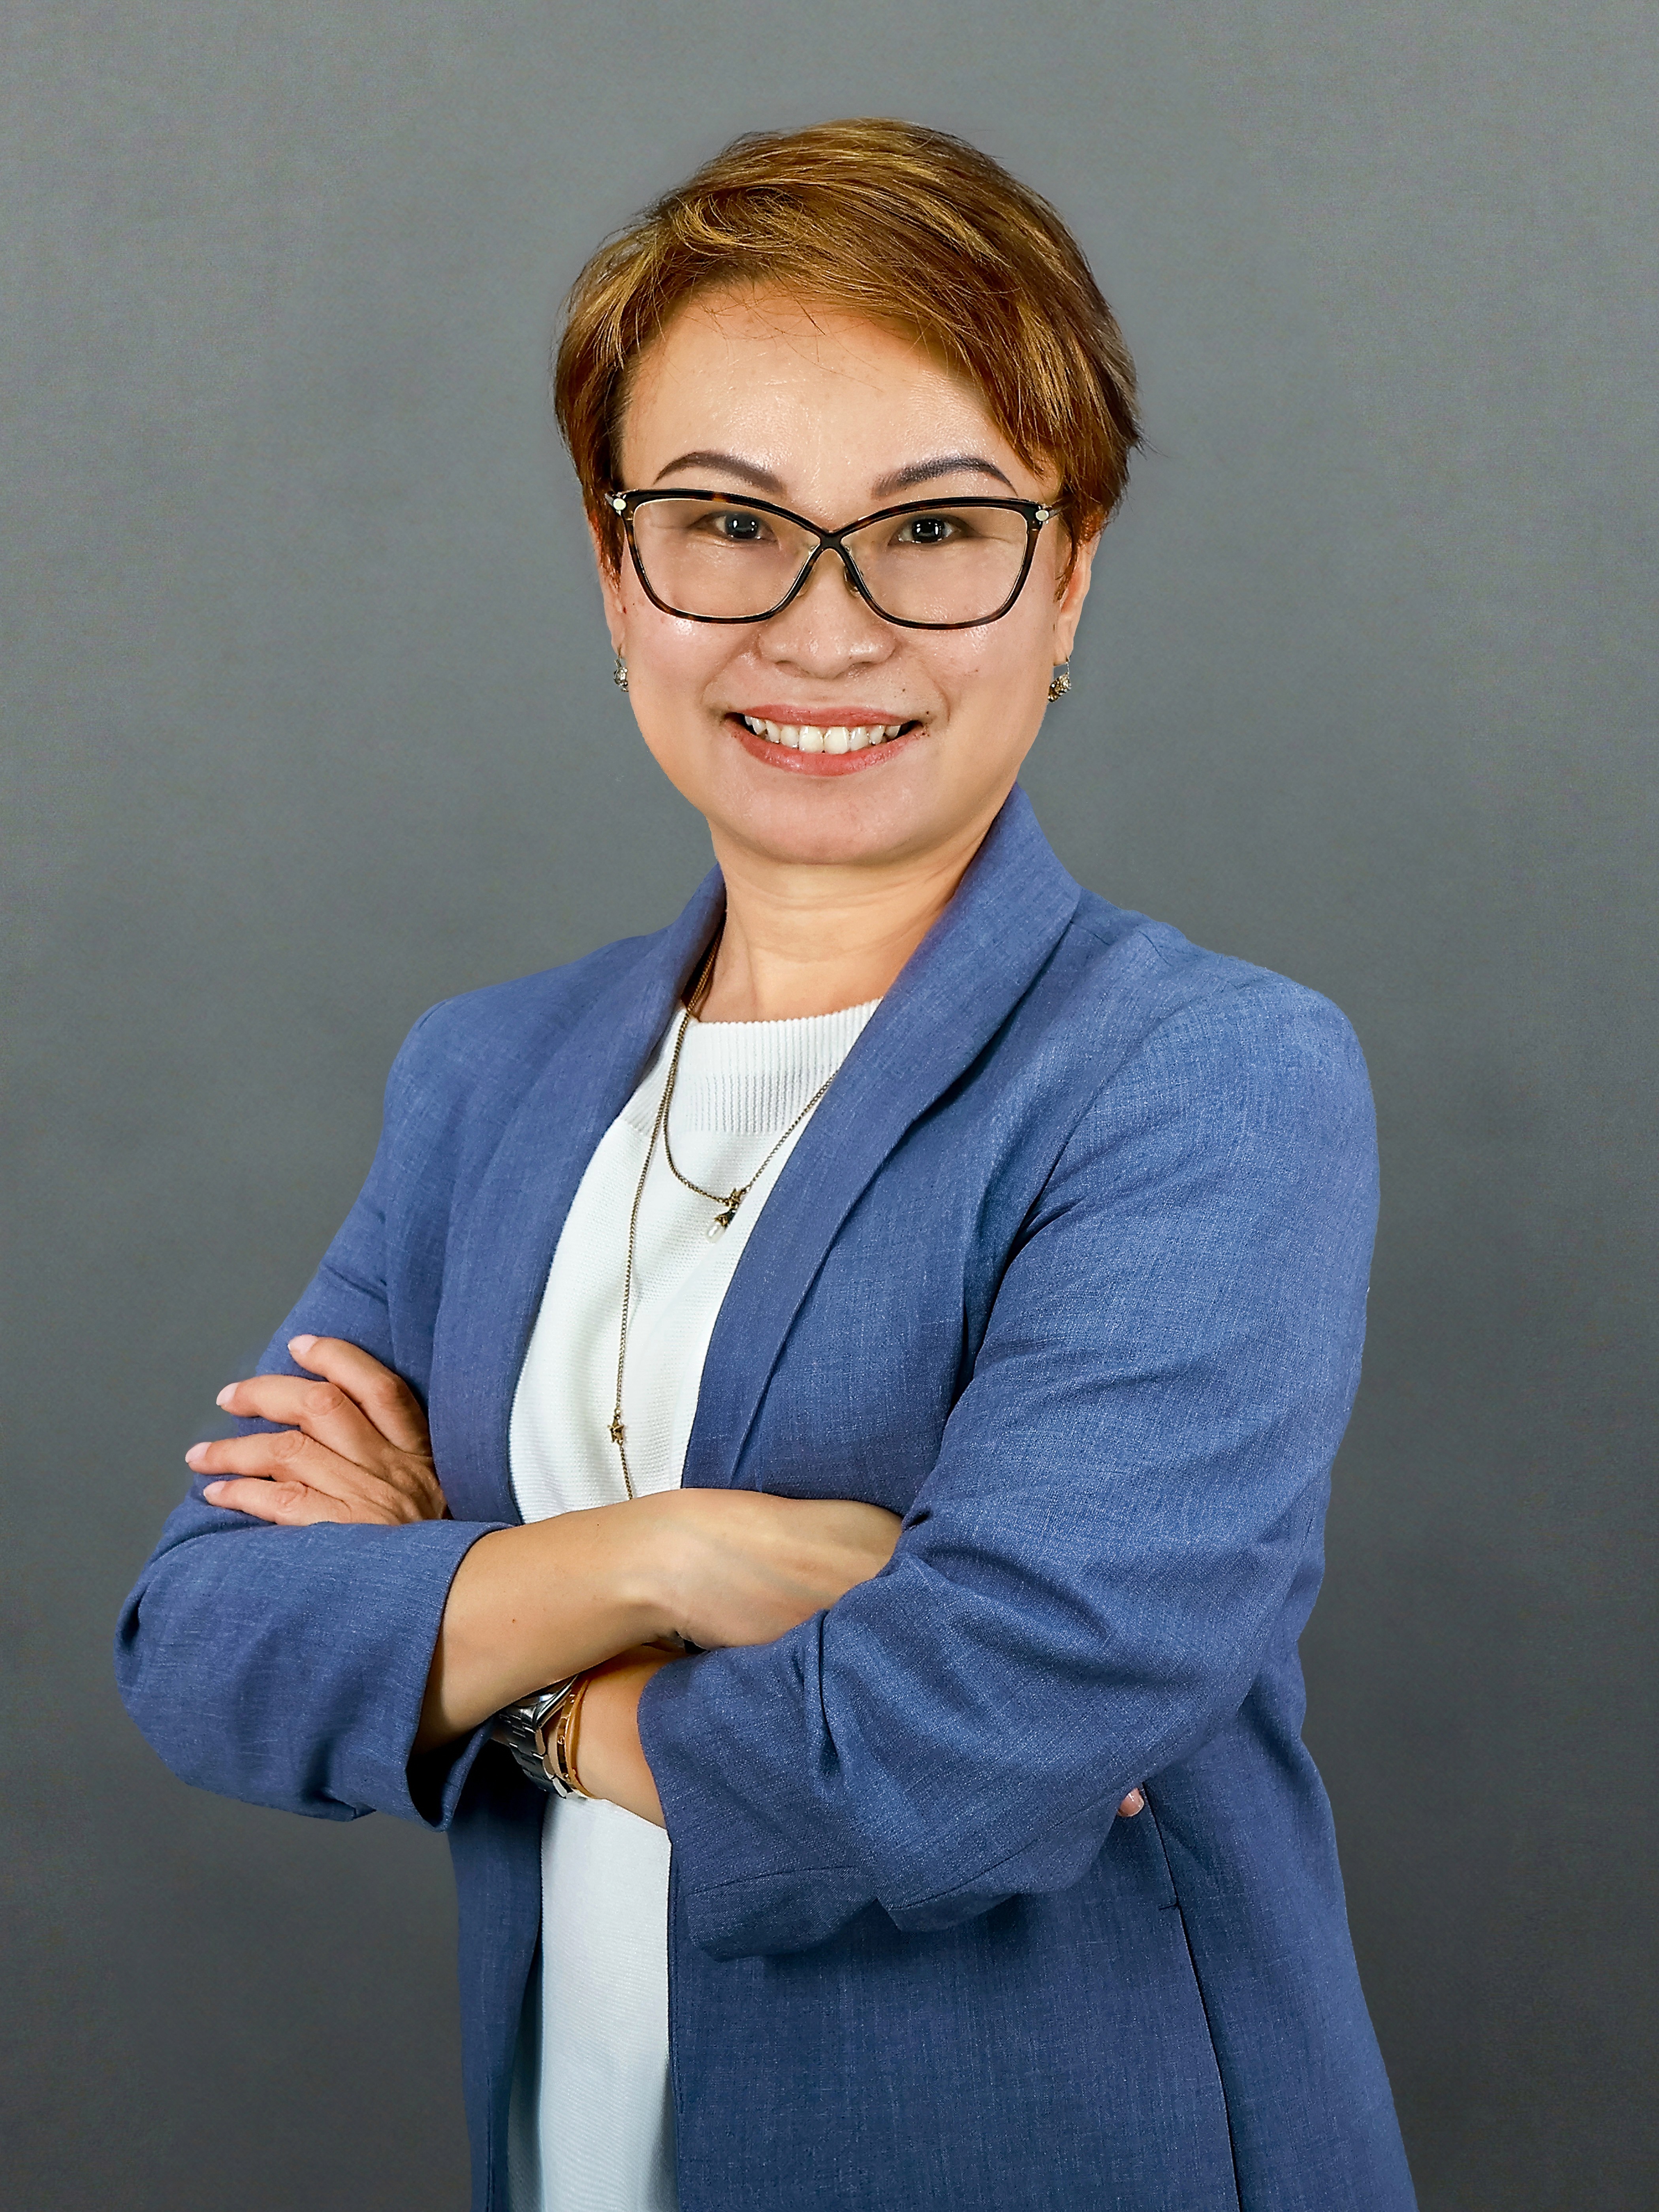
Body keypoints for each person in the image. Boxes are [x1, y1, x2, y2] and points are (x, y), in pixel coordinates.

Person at [117, 118, 1418, 2212]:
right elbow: (207, 1642)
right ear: (612, 569)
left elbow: (945, 1757)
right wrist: (667, 1559)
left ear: (1070, 574)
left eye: (934, 528)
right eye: (728, 522)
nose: (824, 630)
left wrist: (494, 1656)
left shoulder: (1201, 1079)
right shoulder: (488, 1076)